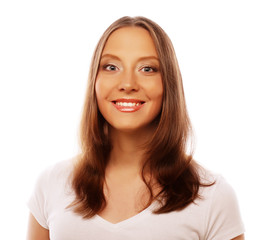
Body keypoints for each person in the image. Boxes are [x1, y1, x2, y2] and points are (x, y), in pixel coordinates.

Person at [27, 16, 245, 240]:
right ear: (95, 80)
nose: (128, 84)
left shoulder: (212, 197)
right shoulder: (51, 184)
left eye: (147, 69)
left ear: (168, 82)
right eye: (111, 67)